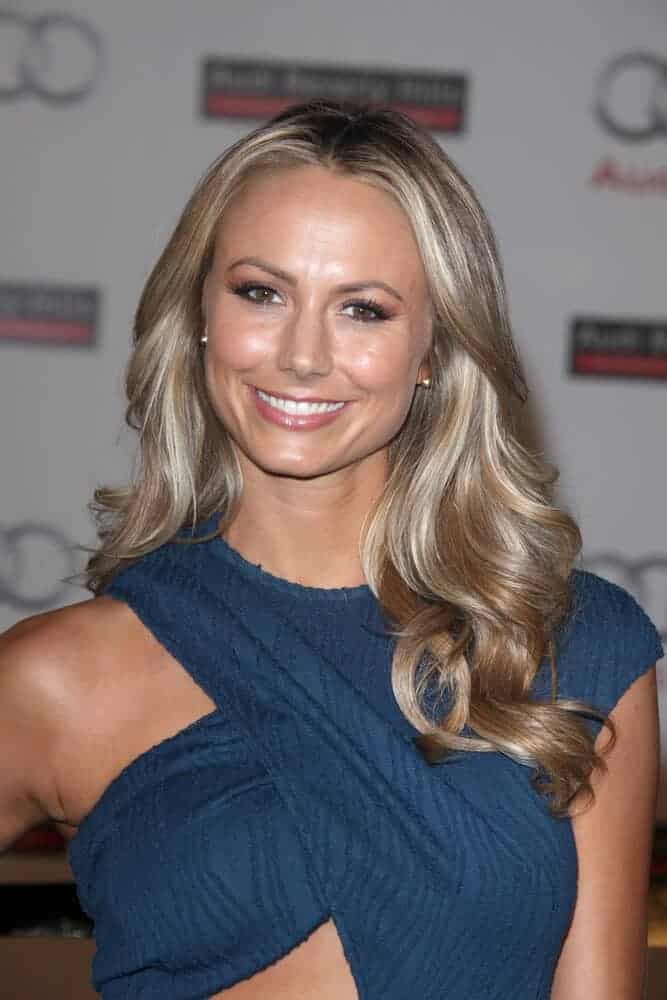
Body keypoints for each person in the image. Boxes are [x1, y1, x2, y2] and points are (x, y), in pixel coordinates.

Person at [0, 98, 662, 1000]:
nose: (304, 355)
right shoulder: (54, 679)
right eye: (261, 293)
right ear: (199, 314)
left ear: (432, 349)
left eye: (363, 309)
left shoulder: (570, 647)